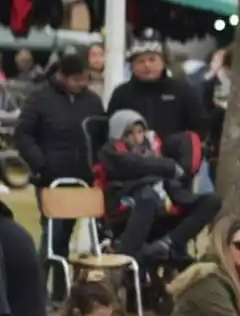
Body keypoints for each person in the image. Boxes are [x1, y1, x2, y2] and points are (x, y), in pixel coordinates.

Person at [15, 50, 104, 296]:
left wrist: (94, 166)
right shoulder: (40, 98)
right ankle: (37, 291)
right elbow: (23, 135)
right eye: (76, 79)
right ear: (63, 76)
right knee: (52, 233)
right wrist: (41, 164)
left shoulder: (92, 102)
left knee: (66, 234)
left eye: (85, 79)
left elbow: (99, 135)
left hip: (81, 178)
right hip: (50, 178)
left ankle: (59, 291)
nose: (81, 84)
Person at [98, 110, 222, 263]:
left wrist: (165, 169)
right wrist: (167, 167)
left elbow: (160, 168)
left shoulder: (152, 150)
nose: (137, 137)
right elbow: (133, 165)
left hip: (165, 202)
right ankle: (125, 252)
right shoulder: (111, 151)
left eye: (140, 131)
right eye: (130, 132)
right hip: (129, 205)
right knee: (148, 196)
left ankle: (169, 243)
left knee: (212, 201)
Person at [107, 34, 210, 143]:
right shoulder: (122, 93)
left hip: (174, 156)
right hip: (132, 156)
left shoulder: (182, 90)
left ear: (163, 62)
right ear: (132, 66)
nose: (147, 65)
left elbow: (199, 126)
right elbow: (111, 127)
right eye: (140, 61)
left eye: (152, 60)